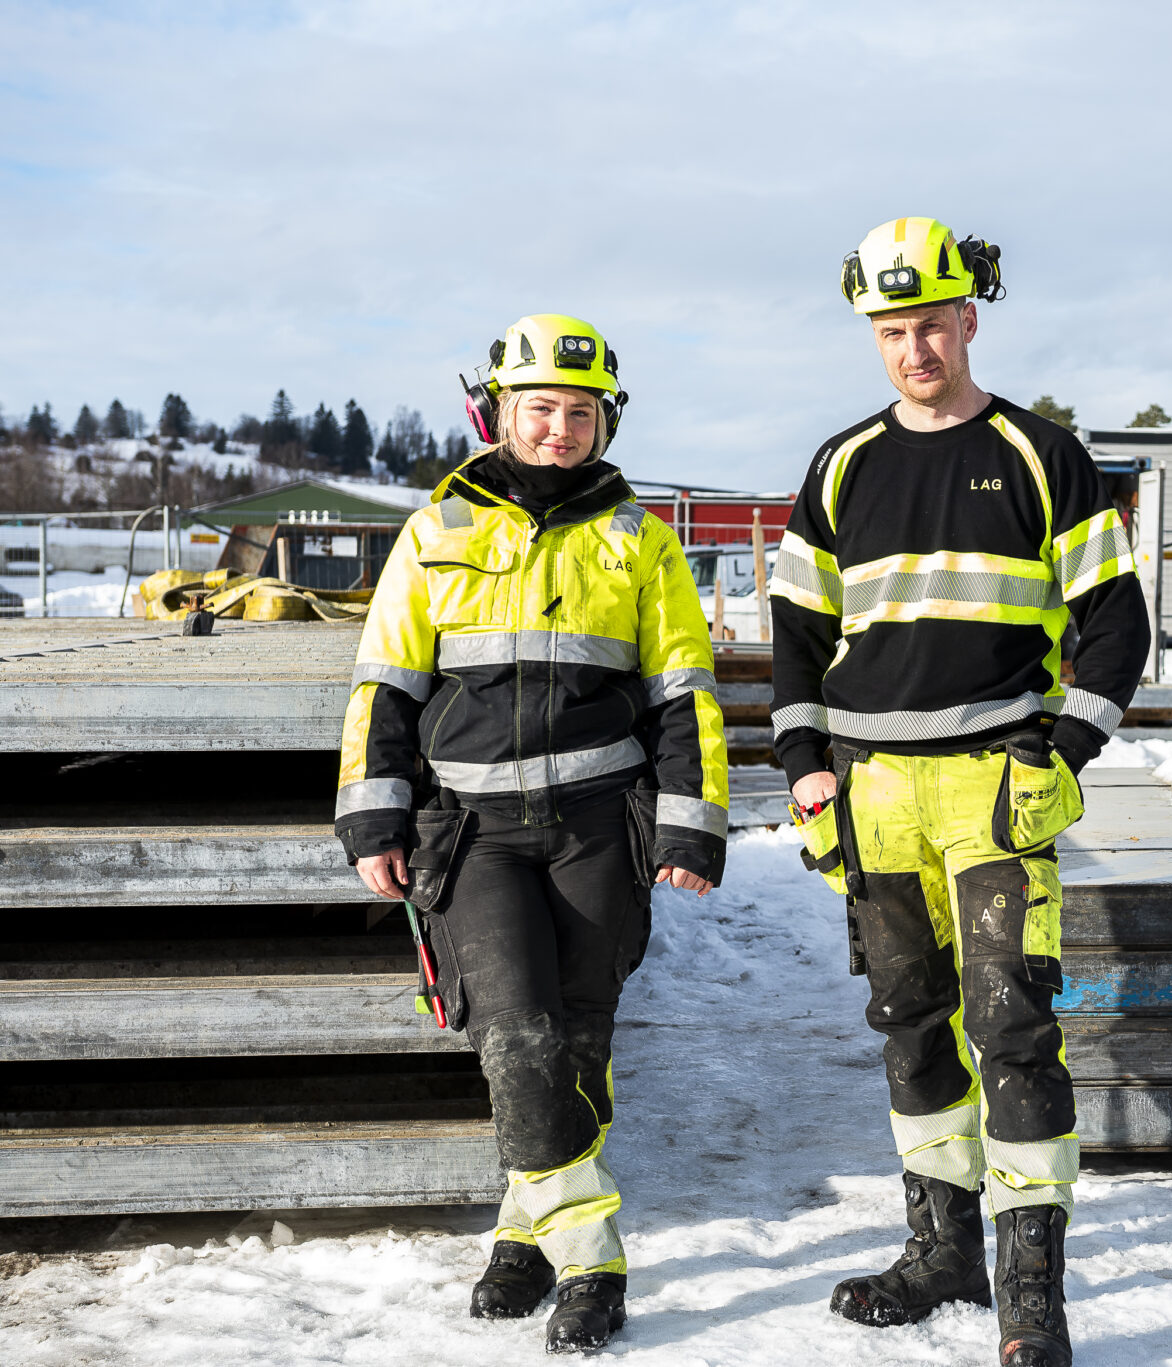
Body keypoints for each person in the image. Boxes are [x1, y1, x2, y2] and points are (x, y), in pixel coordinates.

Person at [769, 218, 1150, 1367]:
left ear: (969, 319)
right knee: (908, 1025)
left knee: (1013, 1029)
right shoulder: (841, 465)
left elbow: (1117, 623)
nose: (912, 347)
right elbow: (793, 632)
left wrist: (1061, 751)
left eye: (930, 323)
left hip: (991, 786)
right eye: (891, 329)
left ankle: (1031, 1297)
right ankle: (940, 1251)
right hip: (872, 792)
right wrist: (804, 771)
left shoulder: (1042, 453)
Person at [335, 314, 728, 1355]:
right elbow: (385, 683)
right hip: (472, 834)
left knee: (582, 1043)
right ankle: (593, 1250)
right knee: (515, 1034)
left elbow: (682, 691)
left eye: (580, 412)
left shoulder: (639, 540)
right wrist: (374, 809)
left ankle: (521, 1232)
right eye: (540, 409)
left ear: (606, 422)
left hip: (599, 828)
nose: (560, 428)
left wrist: (689, 828)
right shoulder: (434, 530)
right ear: (497, 413)